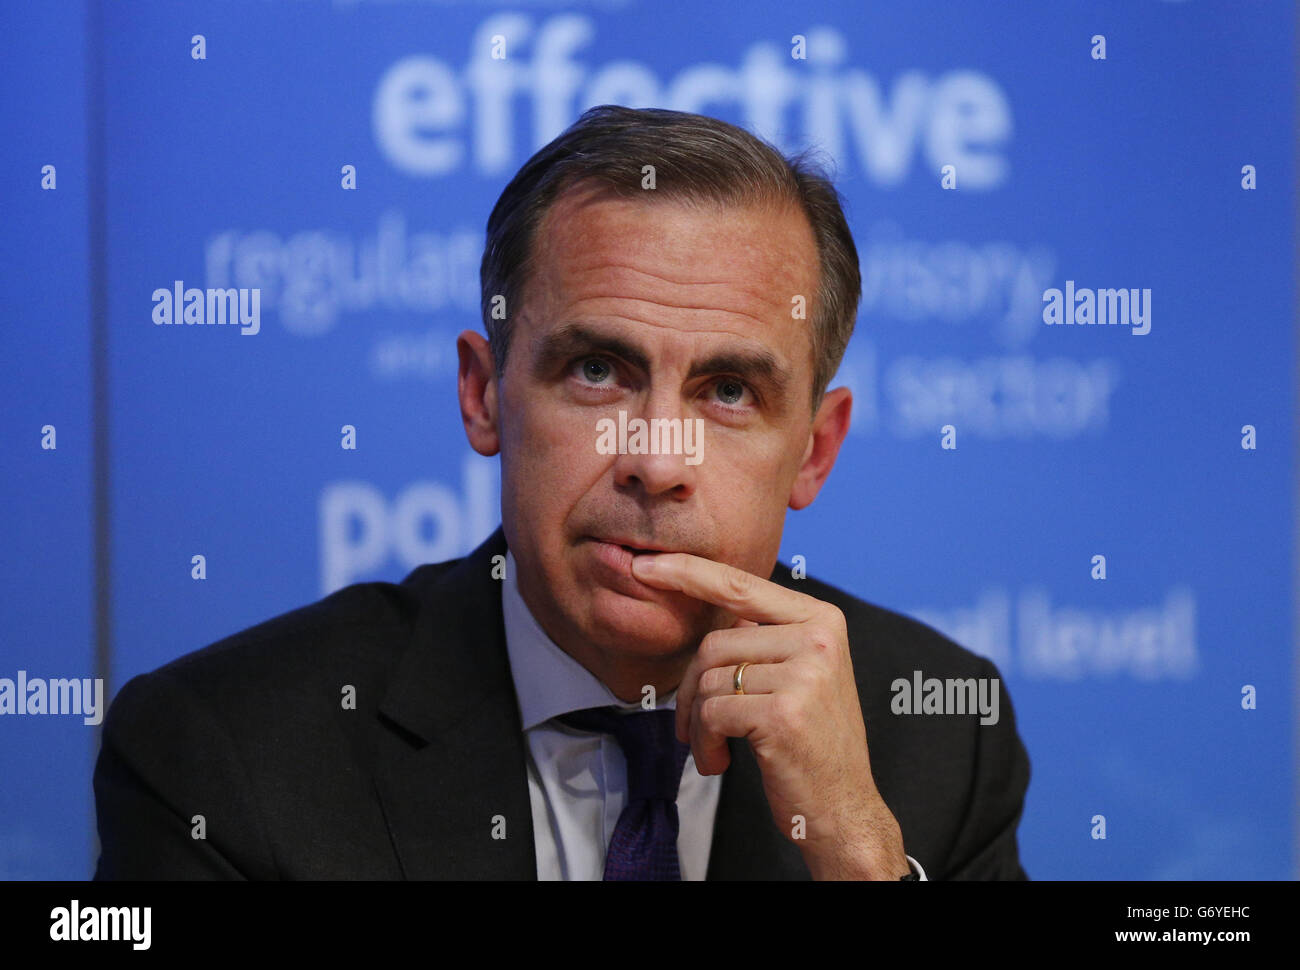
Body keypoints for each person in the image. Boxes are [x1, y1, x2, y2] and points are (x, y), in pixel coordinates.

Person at [93, 105, 1030, 880]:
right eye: (597, 370)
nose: (657, 460)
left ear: (815, 452)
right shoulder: (224, 757)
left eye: (730, 392)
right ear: (484, 393)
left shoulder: (937, 743)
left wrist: (858, 861)